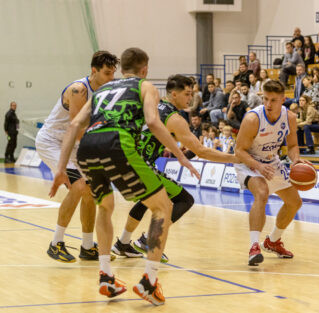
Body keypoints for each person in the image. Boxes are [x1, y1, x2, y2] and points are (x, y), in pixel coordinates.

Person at [49, 47, 200, 305]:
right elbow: (153, 122)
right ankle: (149, 282)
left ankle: (106, 277)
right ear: (145, 69)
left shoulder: (103, 90)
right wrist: (181, 155)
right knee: (163, 207)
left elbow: (74, 125)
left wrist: (62, 167)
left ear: (121, 69)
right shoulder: (145, 86)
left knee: (105, 207)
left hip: (87, 147)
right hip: (118, 142)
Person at [111, 74, 239, 260]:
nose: (190, 98)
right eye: (187, 94)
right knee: (184, 200)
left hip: (124, 160)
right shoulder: (174, 118)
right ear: (173, 94)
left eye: (191, 93)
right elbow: (201, 151)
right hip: (140, 165)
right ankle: (148, 240)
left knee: (149, 199)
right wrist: (236, 159)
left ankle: (122, 243)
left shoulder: (152, 105)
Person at [36, 51, 119, 263]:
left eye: (113, 73)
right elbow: (77, 127)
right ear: (94, 71)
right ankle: (56, 243)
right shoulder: (78, 89)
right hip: (53, 141)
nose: (111, 77)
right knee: (80, 186)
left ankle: (88, 246)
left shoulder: (106, 91)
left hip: (74, 144)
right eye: (107, 73)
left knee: (90, 191)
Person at [234, 80, 307, 266]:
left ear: (283, 99)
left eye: (273, 100)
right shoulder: (252, 119)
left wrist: (296, 160)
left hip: (270, 161)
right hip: (248, 161)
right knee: (262, 192)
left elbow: (292, 145)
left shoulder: (289, 117)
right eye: (265, 99)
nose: (268, 104)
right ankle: (253, 246)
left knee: (294, 202)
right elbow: (239, 151)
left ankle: (272, 241)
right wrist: (257, 166)